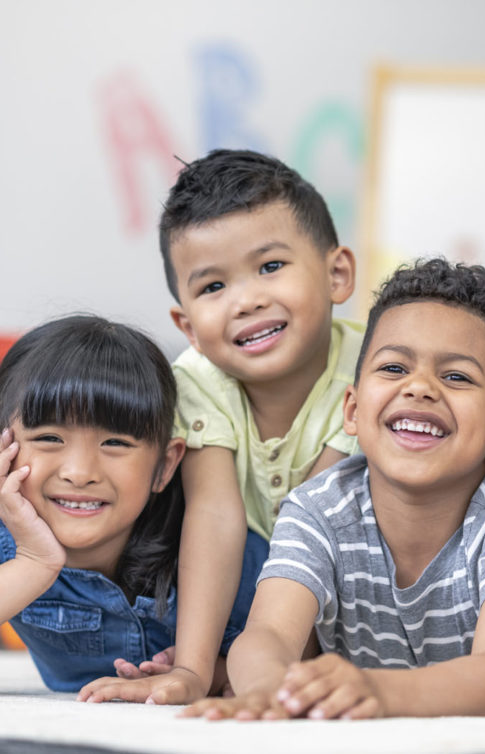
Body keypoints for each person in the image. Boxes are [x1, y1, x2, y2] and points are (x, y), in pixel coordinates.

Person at [183, 258, 485, 720]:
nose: (420, 388)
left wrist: (378, 692)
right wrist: (274, 691)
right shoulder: (317, 508)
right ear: (352, 409)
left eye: (456, 377)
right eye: (393, 368)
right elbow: (267, 634)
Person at [82, 149, 362, 705]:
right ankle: (213, 660)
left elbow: (321, 519)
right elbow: (214, 515)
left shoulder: (373, 366)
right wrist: (191, 667)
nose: (246, 300)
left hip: (354, 563)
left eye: (271, 266)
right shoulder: (195, 381)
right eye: (213, 287)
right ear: (186, 325)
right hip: (248, 571)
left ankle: (277, 660)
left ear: (337, 274)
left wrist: (274, 655)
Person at [0, 316, 263, 694]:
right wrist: (34, 562)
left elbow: (305, 643)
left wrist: (217, 673)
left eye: (116, 443)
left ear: (165, 466)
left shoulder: (216, 551)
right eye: (49, 437)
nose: (79, 472)